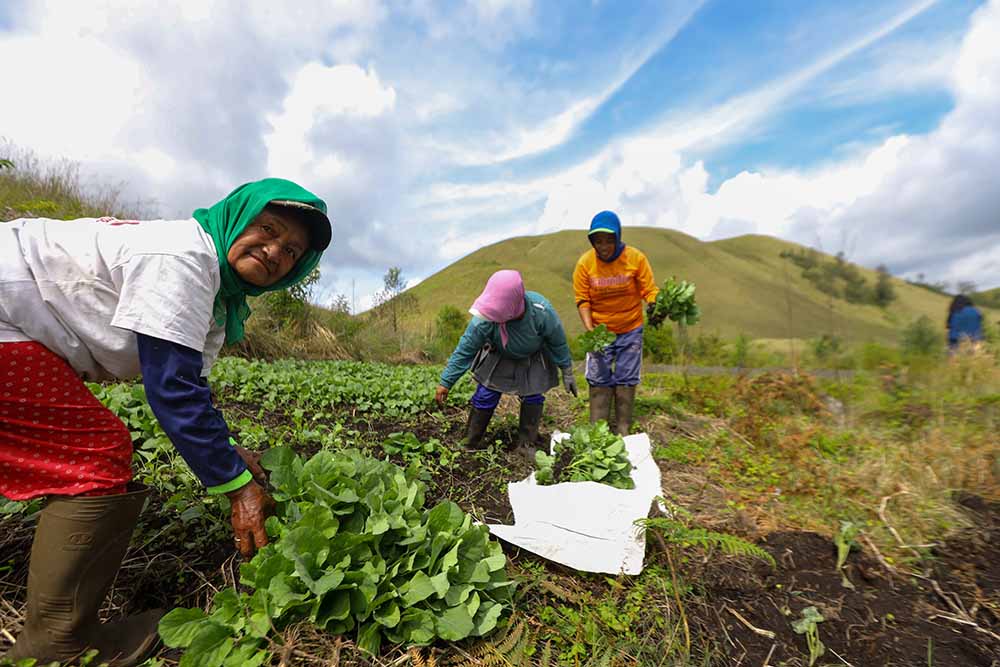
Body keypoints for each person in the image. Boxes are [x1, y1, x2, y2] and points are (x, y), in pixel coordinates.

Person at [0, 178, 331, 666]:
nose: (274, 250)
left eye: (291, 250)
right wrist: (237, 488)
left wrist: (228, 451)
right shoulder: (185, 258)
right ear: (236, 218)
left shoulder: (218, 297)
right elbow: (172, 391)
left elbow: (189, 386)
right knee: (95, 452)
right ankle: (56, 644)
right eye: (267, 227)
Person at [434, 270, 577, 461]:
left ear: (514, 303)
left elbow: (557, 341)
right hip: (499, 355)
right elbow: (466, 348)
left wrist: (567, 371)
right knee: (486, 393)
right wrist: (446, 381)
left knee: (533, 395)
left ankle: (526, 444)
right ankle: (470, 441)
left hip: (532, 357)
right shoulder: (486, 317)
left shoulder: (541, 312)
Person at [573, 210, 660, 435]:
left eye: (609, 240)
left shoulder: (635, 259)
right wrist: (591, 331)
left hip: (630, 328)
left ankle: (623, 429)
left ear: (618, 237)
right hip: (600, 329)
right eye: (598, 241)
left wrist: (653, 303)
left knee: (626, 379)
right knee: (598, 378)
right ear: (592, 241)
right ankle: (597, 430)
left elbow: (649, 289)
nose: (603, 246)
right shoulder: (585, 264)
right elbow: (582, 300)